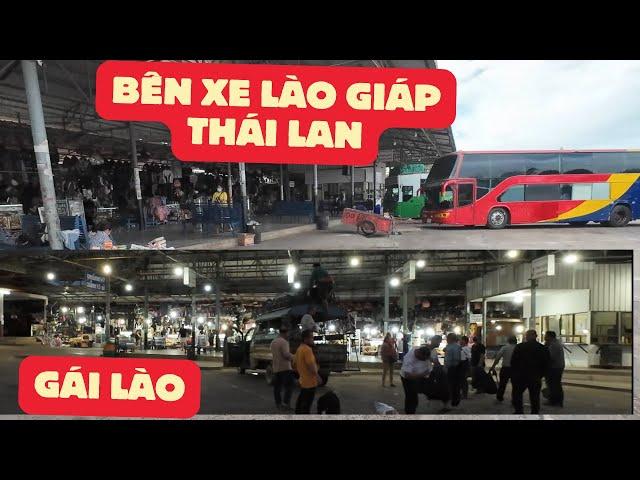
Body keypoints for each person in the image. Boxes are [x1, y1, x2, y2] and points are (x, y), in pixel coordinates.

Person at [511, 330, 551, 414]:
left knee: (517, 394)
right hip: (535, 376)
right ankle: (534, 413)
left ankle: (519, 411)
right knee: (535, 396)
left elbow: (513, 361)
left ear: (527, 336)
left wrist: (514, 374)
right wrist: (541, 374)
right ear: (535, 336)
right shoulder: (542, 348)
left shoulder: (520, 347)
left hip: (521, 375)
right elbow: (547, 363)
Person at [293, 329, 322, 414]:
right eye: (311, 338)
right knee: (306, 407)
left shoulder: (299, 349)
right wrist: (318, 377)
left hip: (303, 382)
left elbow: (294, 364)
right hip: (310, 383)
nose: (313, 340)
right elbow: (311, 367)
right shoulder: (307, 350)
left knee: (301, 405)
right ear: (306, 339)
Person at [399, 346, 433, 414]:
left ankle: (414, 403)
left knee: (416, 393)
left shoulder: (419, 349)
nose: (424, 360)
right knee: (410, 395)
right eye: (423, 359)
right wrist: (423, 374)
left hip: (421, 376)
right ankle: (410, 412)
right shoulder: (409, 359)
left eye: (425, 359)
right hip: (408, 379)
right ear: (418, 354)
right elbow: (407, 375)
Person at [270, 325, 295, 411]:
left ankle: (278, 404)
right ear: (285, 333)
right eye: (288, 333)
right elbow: (286, 355)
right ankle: (286, 404)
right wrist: (295, 357)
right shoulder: (284, 342)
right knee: (289, 387)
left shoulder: (273, 342)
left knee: (277, 388)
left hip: (276, 368)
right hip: (285, 368)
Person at [489, 335, 518, 403]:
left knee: (502, 384)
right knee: (515, 385)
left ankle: (500, 397)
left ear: (508, 341)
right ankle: (515, 399)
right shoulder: (518, 348)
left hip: (505, 368)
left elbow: (498, 358)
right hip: (516, 369)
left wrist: (493, 366)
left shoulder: (505, 348)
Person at [544, 331, 565, 407]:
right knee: (555, 384)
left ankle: (554, 401)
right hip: (557, 366)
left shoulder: (554, 345)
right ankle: (556, 400)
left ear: (550, 336)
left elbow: (551, 357)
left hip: (554, 367)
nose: (544, 337)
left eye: (545, 335)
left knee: (553, 384)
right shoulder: (554, 343)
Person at [444, 333, 462, 407]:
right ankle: (452, 399)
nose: (446, 340)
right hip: (450, 367)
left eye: (447, 338)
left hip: (453, 368)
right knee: (451, 384)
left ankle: (455, 400)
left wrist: (450, 367)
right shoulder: (450, 346)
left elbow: (456, 359)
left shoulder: (455, 347)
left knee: (453, 385)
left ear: (451, 339)